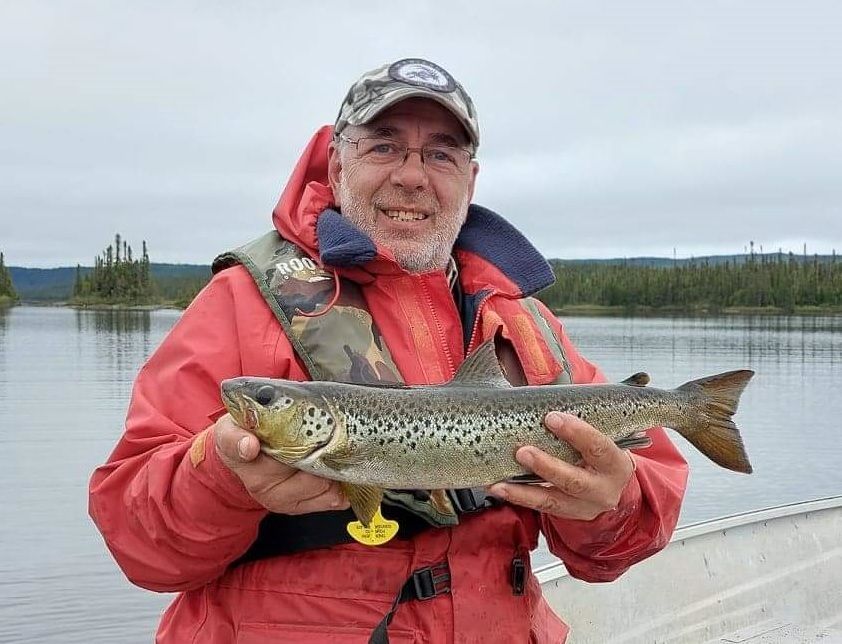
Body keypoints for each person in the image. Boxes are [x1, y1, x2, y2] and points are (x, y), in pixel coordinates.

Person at [89, 58, 688, 643]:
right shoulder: (242, 304)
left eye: (440, 154)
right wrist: (222, 479)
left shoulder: (524, 324)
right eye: (384, 146)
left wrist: (610, 505)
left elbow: (618, 550)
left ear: (470, 179)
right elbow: (137, 546)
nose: (412, 175)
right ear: (337, 161)